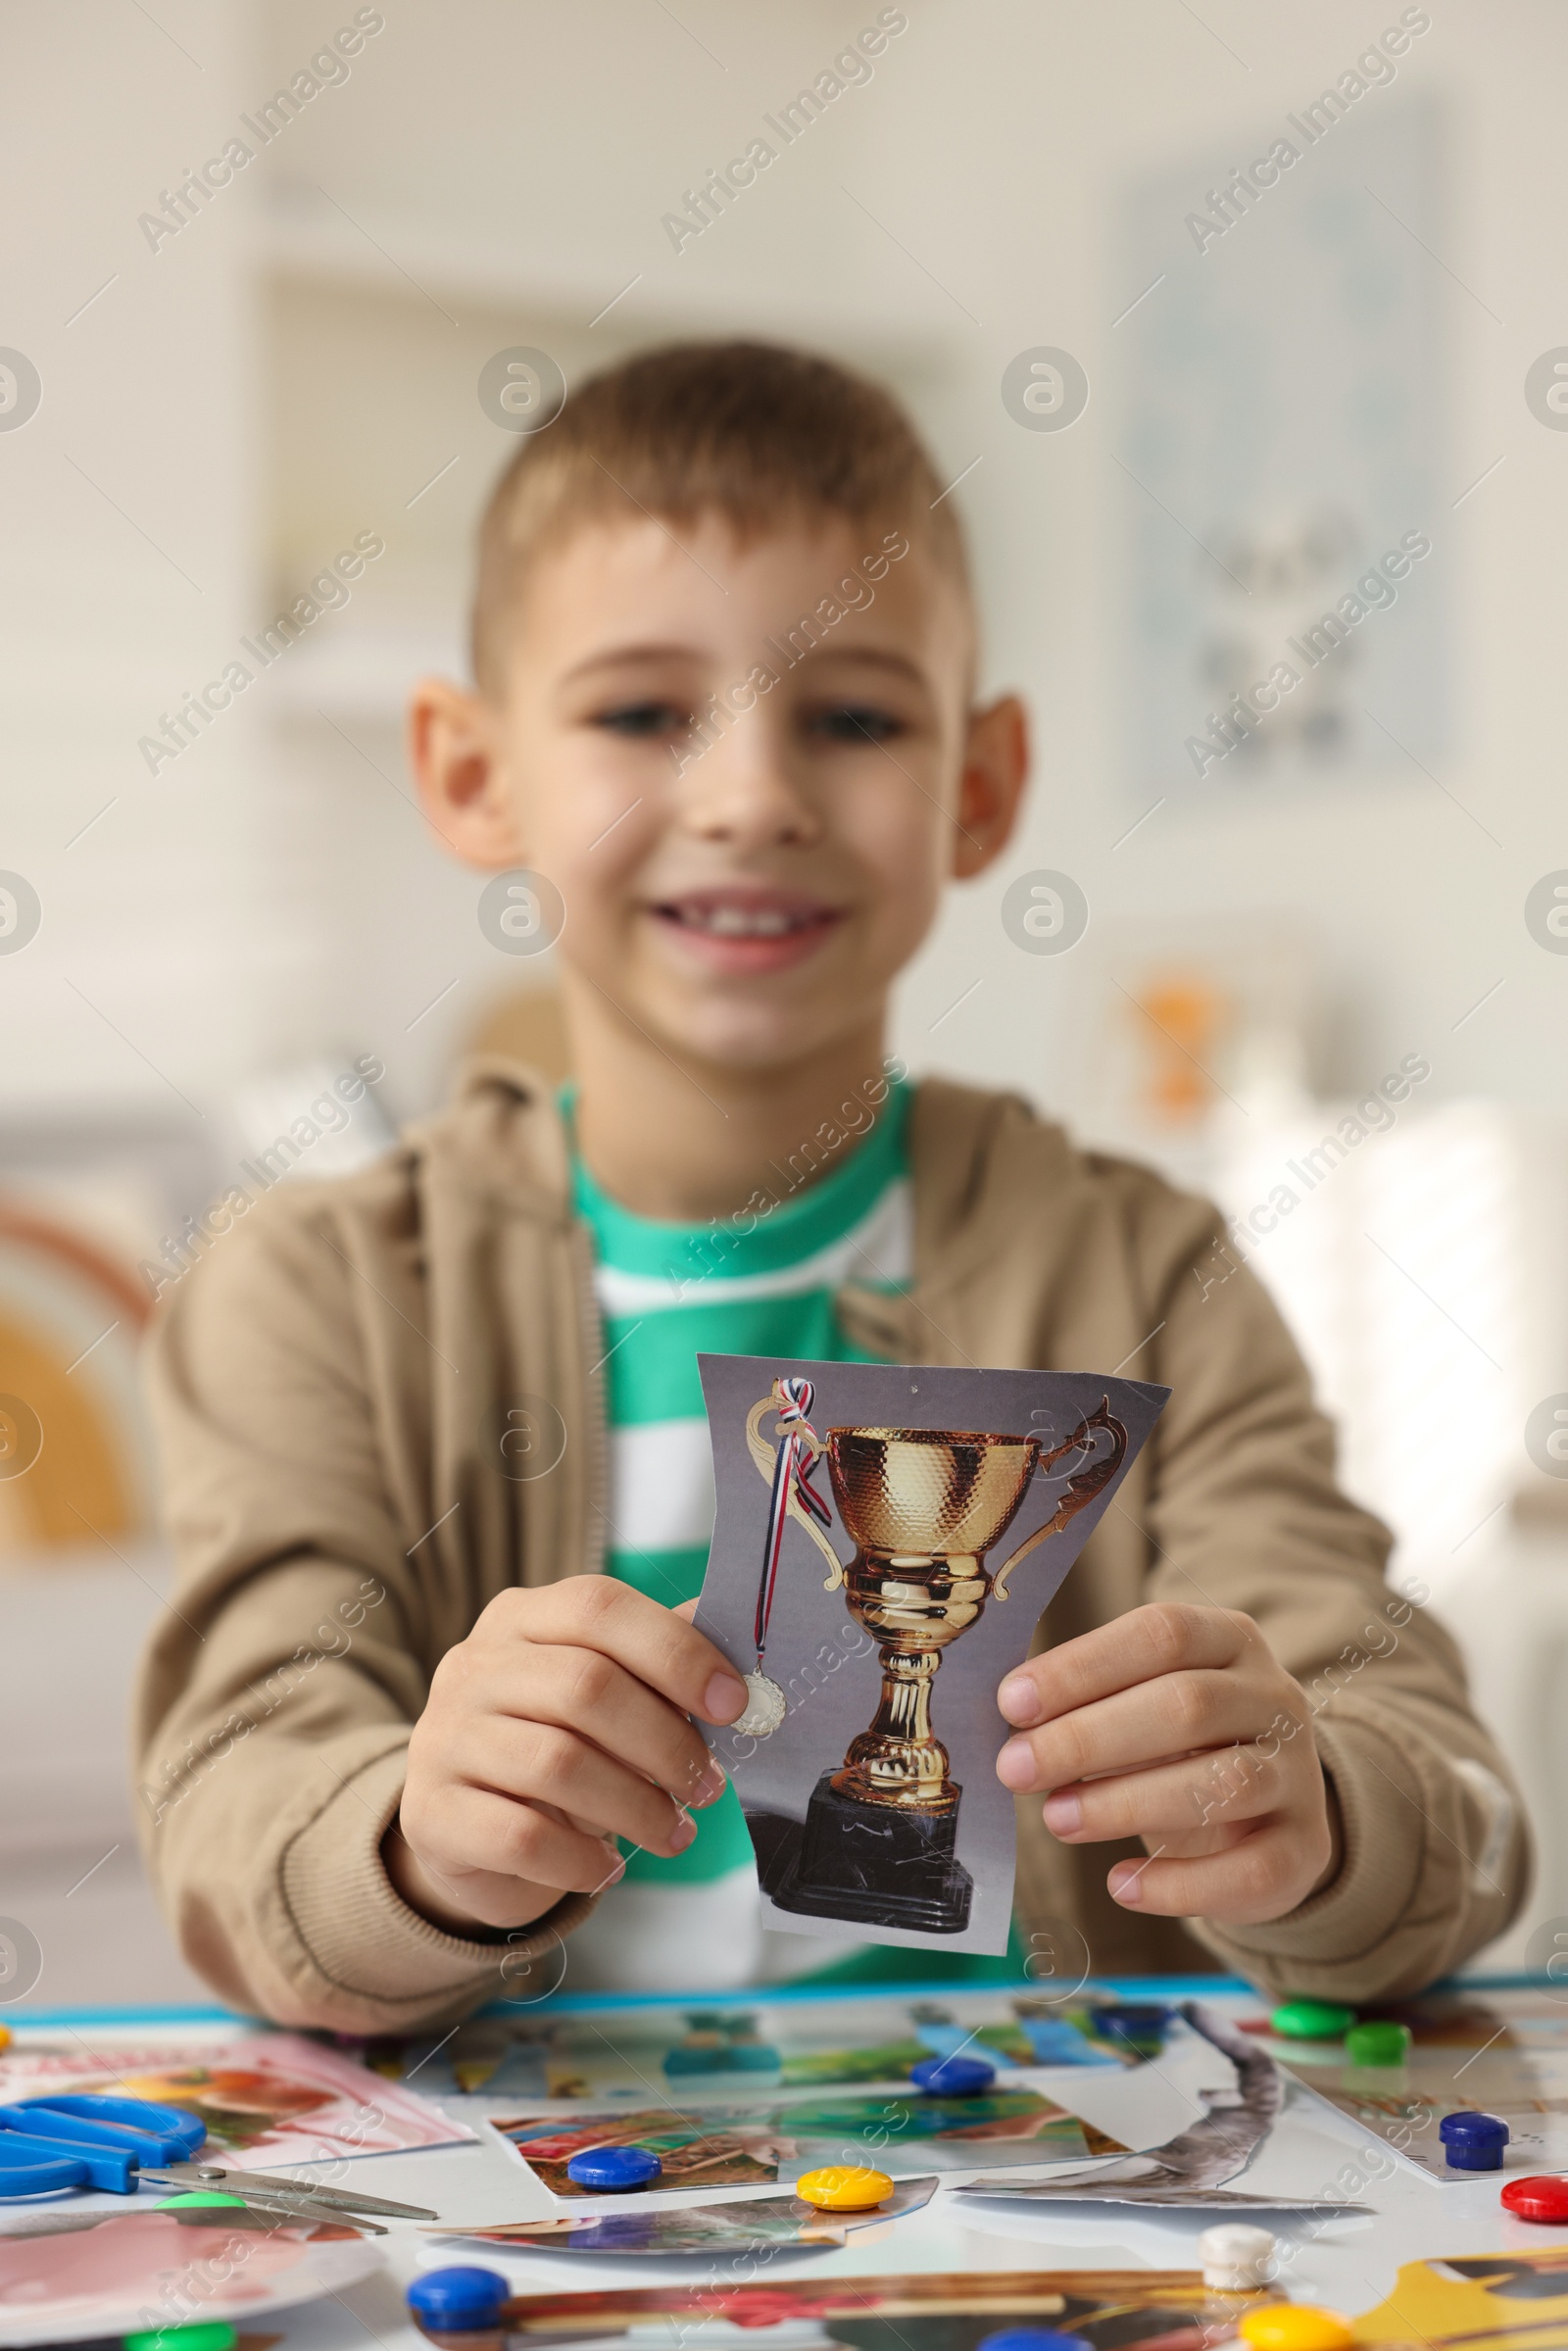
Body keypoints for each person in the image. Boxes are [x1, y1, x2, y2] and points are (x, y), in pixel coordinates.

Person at [134, 341, 1528, 2032]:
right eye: (644, 713)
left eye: (854, 717)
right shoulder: (313, 1287)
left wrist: (1318, 1821)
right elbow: (236, 1799)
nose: (752, 796)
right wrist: (412, 1842)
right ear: (473, 773)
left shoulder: (1152, 1270)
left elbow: (1445, 1791)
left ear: (982, 783)